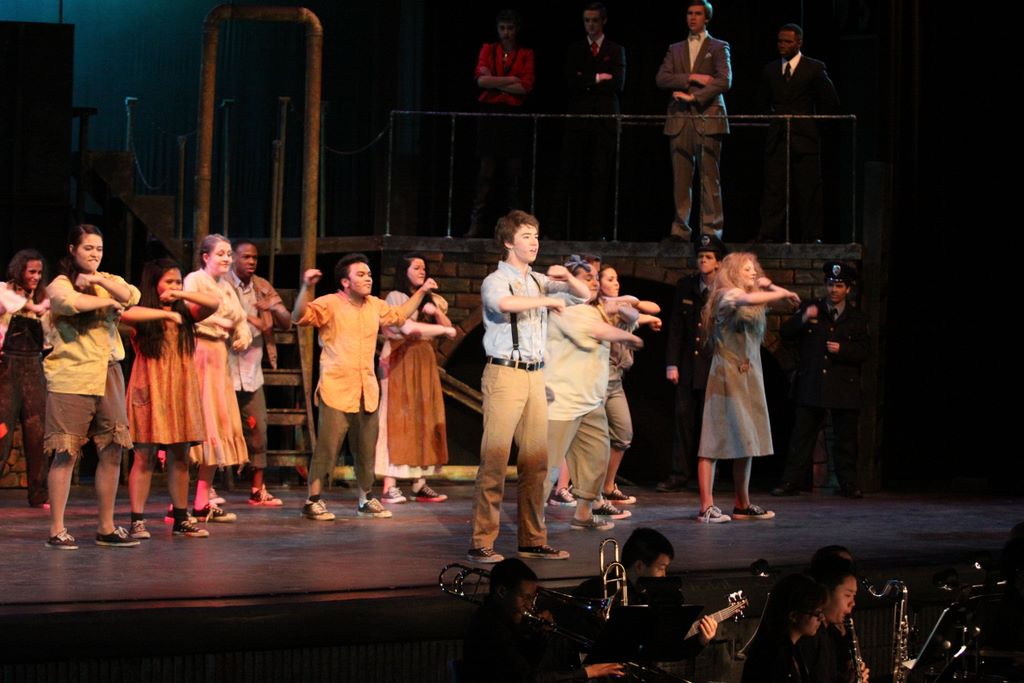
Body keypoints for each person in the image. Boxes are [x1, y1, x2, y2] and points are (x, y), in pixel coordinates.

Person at [469, 210, 590, 564]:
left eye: (536, 235)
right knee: (494, 461)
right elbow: (503, 304)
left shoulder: (539, 280)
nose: (534, 242)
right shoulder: (496, 280)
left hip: (535, 376)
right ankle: (481, 541)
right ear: (508, 242)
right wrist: (547, 301)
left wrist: (567, 277)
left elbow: (583, 295)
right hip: (505, 375)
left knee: (536, 464)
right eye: (526, 236)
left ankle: (532, 540)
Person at [292, 253, 439, 521]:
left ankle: (365, 498)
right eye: (360, 275)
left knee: (366, 448)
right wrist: (305, 287)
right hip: (337, 388)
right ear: (345, 282)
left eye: (369, 274)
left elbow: (399, 315)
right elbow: (299, 316)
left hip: (366, 389)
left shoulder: (374, 305)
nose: (368, 278)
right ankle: (313, 500)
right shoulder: (330, 303)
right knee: (328, 447)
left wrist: (422, 291)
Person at [44, 224, 141, 549]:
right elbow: (66, 302)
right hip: (72, 374)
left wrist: (100, 282)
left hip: (108, 372)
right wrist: (104, 304)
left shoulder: (107, 280)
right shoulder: (60, 283)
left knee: (112, 449)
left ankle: (106, 526)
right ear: (72, 249)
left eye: (98, 249)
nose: (94, 254)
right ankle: (57, 528)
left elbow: (132, 295)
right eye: (88, 248)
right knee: (66, 452)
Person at [696, 252, 799, 523]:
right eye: (746, 269)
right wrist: (778, 291)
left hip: (749, 376)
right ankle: (706, 506)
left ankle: (742, 504)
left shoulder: (752, 298)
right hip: (725, 376)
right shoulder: (726, 295)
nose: (753, 273)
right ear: (733, 273)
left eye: (754, 269)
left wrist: (772, 287)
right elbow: (747, 299)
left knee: (746, 438)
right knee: (713, 440)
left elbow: (764, 298)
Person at [544, 257, 643, 532]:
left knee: (596, 455)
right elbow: (594, 330)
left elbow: (632, 312)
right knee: (548, 466)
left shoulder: (594, 309)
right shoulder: (564, 307)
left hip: (590, 398)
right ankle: (531, 529)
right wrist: (627, 337)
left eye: (595, 278)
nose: (594, 283)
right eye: (588, 278)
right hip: (564, 399)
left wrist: (621, 310)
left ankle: (584, 513)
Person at [122, 259, 219, 539]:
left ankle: (181, 518)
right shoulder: (144, 314)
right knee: (144, 457)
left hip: (180, 391)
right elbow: (125, 313)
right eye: (169, 282)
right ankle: (137, 520)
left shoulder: (185, 313)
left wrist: (181, 295)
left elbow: (213, 303)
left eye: (178, 281)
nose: (175, 286)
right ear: (155, 284)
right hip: (150, 388)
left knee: (180, 457)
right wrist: (163, 316)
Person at [774, 262, 869, 499]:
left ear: (848, 289)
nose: (834, 290)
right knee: (801, 437)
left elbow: (866, 350)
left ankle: (848, 484)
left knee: (845, 440)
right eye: (830, 285)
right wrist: (804, 317)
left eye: (839, 286)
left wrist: (843, 349)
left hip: (842, 385)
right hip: (813, 383)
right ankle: (790, 481)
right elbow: (786, 334)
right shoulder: (812, 308)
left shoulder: (856, 317)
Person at [376, 253, 457, 505]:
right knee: (398, 417)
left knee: (424, 417)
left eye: (424, 267)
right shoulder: (396, 297)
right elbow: (406, 329)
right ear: (404, 271)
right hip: (400, 357)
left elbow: (450, 327)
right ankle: (389, 485)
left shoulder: (432, 299)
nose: (422, 271)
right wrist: (441, 328)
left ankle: (419, 483)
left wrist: (436, 312)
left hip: (422, 358)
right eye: (416, 267)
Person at [461, 558, 625, 682]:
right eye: (525, 597)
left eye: (532, 599)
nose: (529, 606)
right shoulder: (488, 627)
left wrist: (541, 634)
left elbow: (531, 664)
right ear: (502, 592)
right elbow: (529, 678)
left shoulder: (505, 619)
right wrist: (588, 672)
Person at [184, 234, 253, 523]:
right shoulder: (194, 280)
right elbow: (188, 313)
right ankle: (178, 503)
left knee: (217, 428)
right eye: (220, 253)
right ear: (205, 256)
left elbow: (240, 319)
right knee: (196, 428)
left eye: (228, 254)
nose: (226, 258)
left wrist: (243, 335)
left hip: (218, 361)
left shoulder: (226, 286)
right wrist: (218, 322)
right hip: (198, 355)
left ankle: (202, 502)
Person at [756, 23, 840, 244]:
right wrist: (773, 120)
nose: (782, 45)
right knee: (774, 188)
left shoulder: (814, 68)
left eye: (787, 41)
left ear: (799, 43)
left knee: (808, 189)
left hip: (805, 138)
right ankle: (769, 235)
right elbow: (762, 101)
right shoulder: (771, 69)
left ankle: (812, 236)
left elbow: (830, 102)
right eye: (780, 41)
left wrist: (815, 126)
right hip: (778, 137)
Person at [573, 528, 718, 655]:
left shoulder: (650, 595)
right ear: (639, 566)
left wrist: (700, 641)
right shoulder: (595, 590)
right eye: (661, 568)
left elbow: (661, 649)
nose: (664, 575)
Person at [656, 0, 731, 242]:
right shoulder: (675, 48)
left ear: (706, 18)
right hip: (680, 119)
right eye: (689, 13)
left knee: (709, 178)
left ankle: (711, 231)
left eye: (698, 14)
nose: (692, 17)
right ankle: (680, 230)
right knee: (681, 180)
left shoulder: (718, 46)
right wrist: (692, 77)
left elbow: (724, 80)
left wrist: (695, 96)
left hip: (708, 117)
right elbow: (662, 78)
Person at [227, 240, 293, 506]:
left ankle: (257, 489)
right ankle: (206, 490)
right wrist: (250, 319)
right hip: (224, 369)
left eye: (254, 257)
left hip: (251, 370)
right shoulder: (222, 284)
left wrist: (274, 308)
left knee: (259, 431)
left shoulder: (262, 286)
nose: (251, 261)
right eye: (246, 257)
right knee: (217, 430)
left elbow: (286, 322)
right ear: (233, 258)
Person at [554, 2, 626, 240]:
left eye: (595, 20)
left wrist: (585, 79)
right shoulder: (575, 49)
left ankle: (595, 233)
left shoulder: (615, 49)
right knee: (573, 175)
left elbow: (617, 83)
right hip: (579, 121)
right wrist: (597, 77)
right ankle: (569, 231)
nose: (591, 25)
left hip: (604, 122)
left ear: (603, 21)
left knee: (600, 177)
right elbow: (570, 81)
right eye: (587, 20)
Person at [660, 234, 724, 492]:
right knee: (683, 421)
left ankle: (709, 478)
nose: (703, 261)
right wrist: (671, 363)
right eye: (700, 256)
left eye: (708, 257)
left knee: (712, 425)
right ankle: (679, 474)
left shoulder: (725, 290)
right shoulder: (686, 286)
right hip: (688, 364)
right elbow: (676, 327)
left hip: (714, 365)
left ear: (718, 262)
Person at [595, 264, 661, 507]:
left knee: (623, 434)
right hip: (599, 378)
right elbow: (631, 315)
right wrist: (632, 303)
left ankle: (608, 486)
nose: (616, 283)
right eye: (610, 279)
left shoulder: (622, 305)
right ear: (598, 283)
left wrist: (648, 315)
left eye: (617, 279)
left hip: (616, 381)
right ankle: (576, 490)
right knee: (590, 436)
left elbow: (652, 308)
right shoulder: (599, 308)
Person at [466, 9, 535, 238]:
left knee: (513, 174)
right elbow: (481, 81)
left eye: (510, 28)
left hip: (513, 116)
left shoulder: (525, 53)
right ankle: (476, 224)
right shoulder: (489, 49)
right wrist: (510, 79)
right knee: (486, 172)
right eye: (502, 28)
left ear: (517, 30)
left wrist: (495, 82)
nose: (506, 33)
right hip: (490, 114)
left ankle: (516, 228)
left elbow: (525, 86)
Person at [0, 249, 50, 508]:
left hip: (33, 367)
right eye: (31, 271)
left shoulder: (43, 297)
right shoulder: (3, 290)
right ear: (19, 270)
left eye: (39, 272)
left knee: (37, 433)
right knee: (1, 431)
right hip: (6, 368)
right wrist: (36, 308)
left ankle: (39, 494)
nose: (36, 277)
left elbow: (50, 336)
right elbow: (10, 303)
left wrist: (43, 311)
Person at [740, 573, 829, 683]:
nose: (821, 618)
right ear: (794, 616)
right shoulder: (772, 656)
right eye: (817, 612)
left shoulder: (789, 649)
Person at [803, 554, 870, 683]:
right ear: (825, 592)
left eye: (854, 596)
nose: (853, 603)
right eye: (847, 595)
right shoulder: (810, 635)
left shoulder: (830, 632)